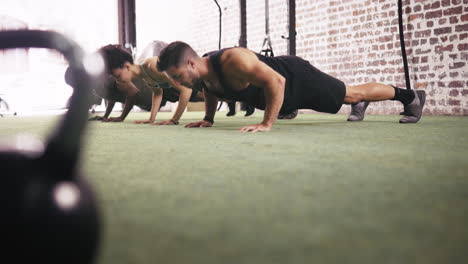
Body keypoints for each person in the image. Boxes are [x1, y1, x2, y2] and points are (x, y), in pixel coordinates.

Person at [156, 41, 426, 132]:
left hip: (297, 77)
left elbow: (277, 80)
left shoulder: (232, 60)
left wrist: (267, 124)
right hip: (286, 91)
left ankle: (410, 96)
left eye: (176, 75)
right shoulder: (203, 74)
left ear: (191, 63)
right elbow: (212, 90)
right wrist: (208, 118)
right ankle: (359, 103)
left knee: (351, 93)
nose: (177, 83)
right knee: (349, 95)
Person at [96, 44, 204, 125]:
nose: (117, 81)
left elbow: (186, 90)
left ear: (127, 67)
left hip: (192, 84)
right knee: (208, 97)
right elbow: (158, 93)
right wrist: (151, 119)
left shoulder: (151, 66)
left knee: (212, 95)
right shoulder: (143, 74)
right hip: (174, 91)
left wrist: (173, 120)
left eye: (118, 76)